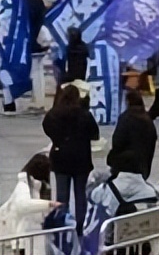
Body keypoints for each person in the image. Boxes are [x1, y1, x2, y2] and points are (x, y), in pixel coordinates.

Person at [42, 83, 99, 232]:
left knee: (62, 196)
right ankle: (80, 226)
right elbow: (95, 134)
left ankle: (62, 226)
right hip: (81, 158)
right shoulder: (84, 114)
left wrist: (57, 139)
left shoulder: (54, 113)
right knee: (80, 194)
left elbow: (45, 126)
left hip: (60, 158)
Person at [108, 88, 157, 178]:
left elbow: (117, 141)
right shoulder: (148, 120)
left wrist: (112, 159)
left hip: (124, 167)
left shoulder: (125, 118)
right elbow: (152, 144)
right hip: (143, 167)